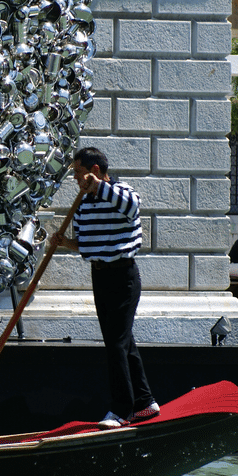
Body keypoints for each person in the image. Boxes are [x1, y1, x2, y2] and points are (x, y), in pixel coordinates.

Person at [50, 147, 159, 429]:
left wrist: (98, 186)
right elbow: (87, 244)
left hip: (124, 276)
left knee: (116, 344)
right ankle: (145, 403)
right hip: (100, 276)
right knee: (123, 342)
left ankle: (123, 411)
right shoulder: (83, 204)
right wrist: (64, 243)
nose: (75, 179)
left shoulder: (123, 191)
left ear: (94, 170)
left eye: (77, 173)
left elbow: (133, 206)